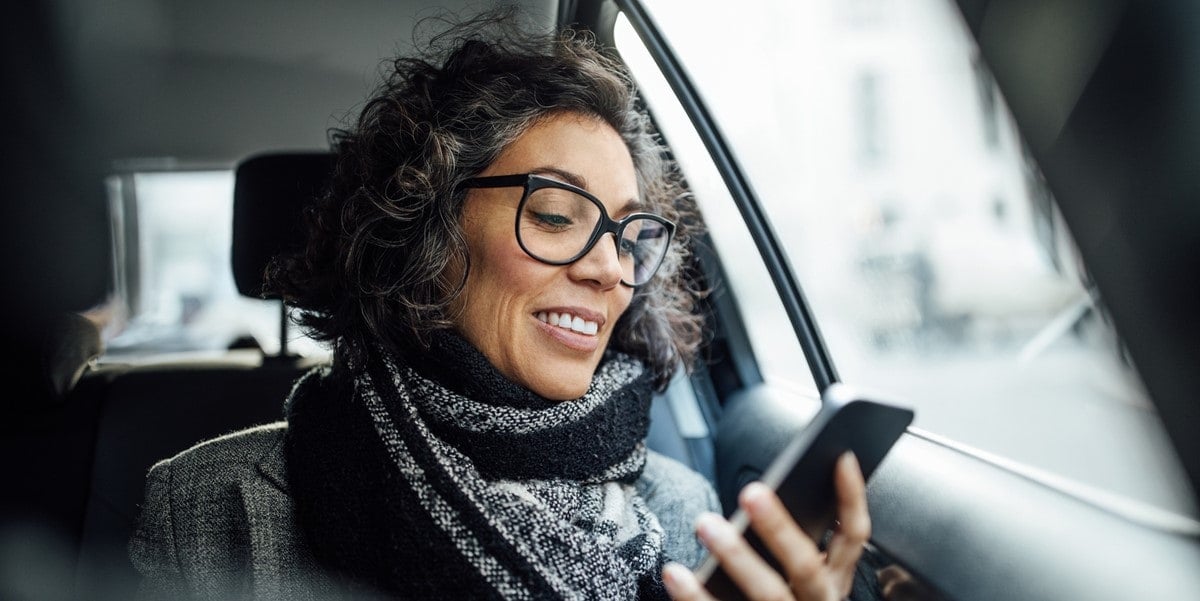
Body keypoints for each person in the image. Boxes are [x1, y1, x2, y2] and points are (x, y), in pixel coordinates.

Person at [128, 15, 871, 601]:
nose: (610, 268)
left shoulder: (687, 508)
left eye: (627, 234)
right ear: (428, 229)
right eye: (554, 214)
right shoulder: (207, 504)